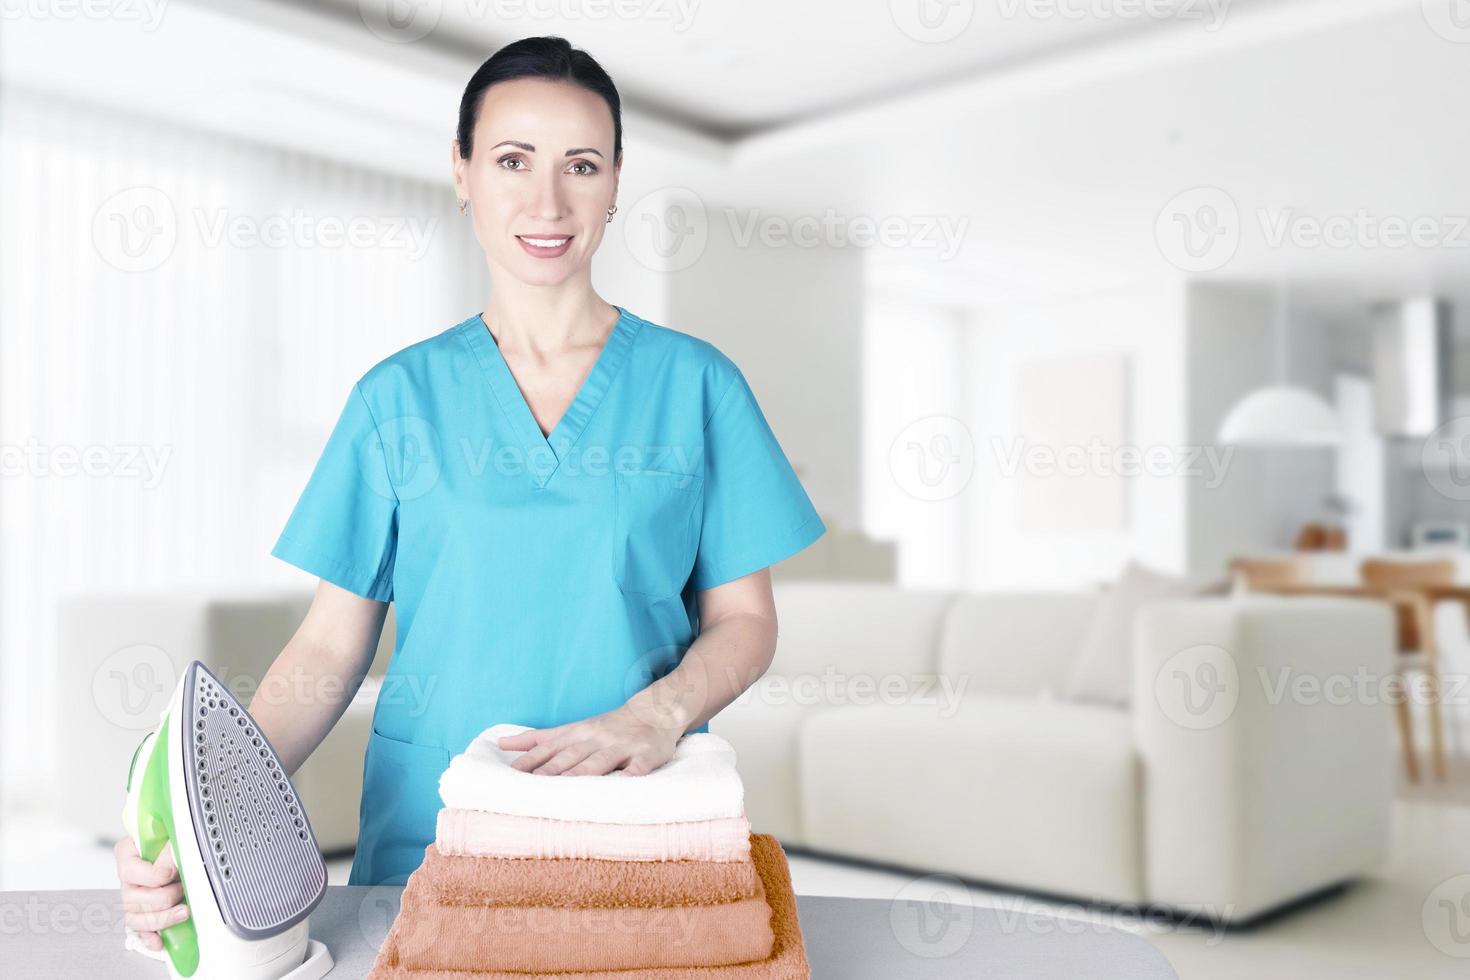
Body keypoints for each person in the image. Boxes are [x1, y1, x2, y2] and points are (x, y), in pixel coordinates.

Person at [117, 34, 824, 949]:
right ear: (462, 174)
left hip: (630, 829)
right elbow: (329, 649)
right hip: (431, 845)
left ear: (615, 182)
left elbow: (747, 620)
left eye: (581, 164)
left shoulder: (698, 387)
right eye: (512, 160)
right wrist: (194, 822)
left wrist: (658, 715)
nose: (548, 200)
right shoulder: (395, 399)